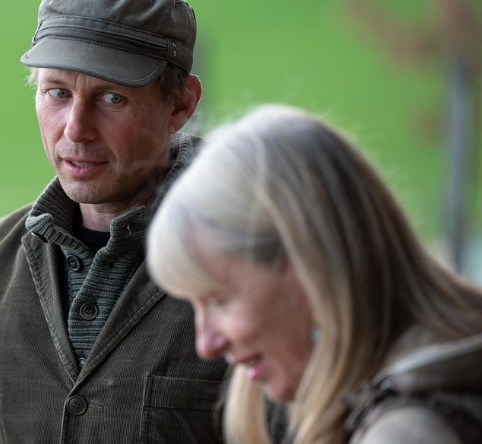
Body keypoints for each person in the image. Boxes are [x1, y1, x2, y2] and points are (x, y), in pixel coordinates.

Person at [0, 0, 231, 443]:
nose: (75, 128)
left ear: (180, 106)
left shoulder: (247, 253)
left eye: (111, 97)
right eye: (57, 93)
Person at [147, 103, 482, 444]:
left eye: (219, 300)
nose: (207, 345)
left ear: (310, 265)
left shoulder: (405, 433)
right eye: (195, 306)